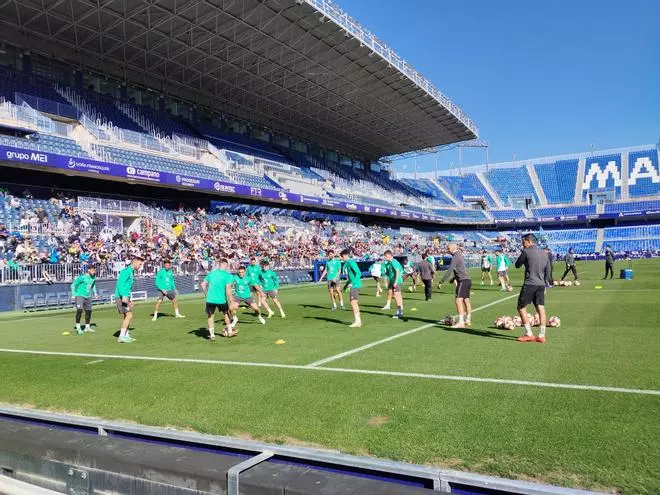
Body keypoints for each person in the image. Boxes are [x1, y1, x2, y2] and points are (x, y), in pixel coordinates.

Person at [515, 234, 551, 343]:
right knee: (541, 308)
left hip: (530, 283)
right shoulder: (545, 253)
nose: (523, 244)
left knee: (521, 307)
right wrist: (545, 283)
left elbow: (517, 265)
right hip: (541, 284)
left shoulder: (526, 252)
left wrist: (524, 256)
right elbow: (548, 270)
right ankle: (542, 335)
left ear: (529, 241)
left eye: (523, 242)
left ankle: (529, 333)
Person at [438, 243, 472, 328]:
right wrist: (453, 279)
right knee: (466, 301)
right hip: (467, 280)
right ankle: (468, 320)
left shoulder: (455, 256)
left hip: (463, 281)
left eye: (448, 248)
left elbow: (450, 270)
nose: (447, 249)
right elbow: (460, 269)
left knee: (458, 301)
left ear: (454, 248)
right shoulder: (459, 255)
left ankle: (461, 322)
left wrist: (441, 281)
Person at [201, 258, 235, 341]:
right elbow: (228, 289)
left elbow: (202, 285)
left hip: (210, 299)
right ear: (226, 265)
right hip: (221, 300)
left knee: (210, 316)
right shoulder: (228, 275)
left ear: (219, 264)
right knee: (226, 315)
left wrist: (207, 295)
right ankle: (230, 331)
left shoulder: (211, 274)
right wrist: (231, 301)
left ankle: (212, 335)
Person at [114, 256, 144, 343]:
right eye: (140, 264)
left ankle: (126, 335)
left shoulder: (131, 272)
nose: (140, 266)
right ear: (134, 262)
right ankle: (121, 336)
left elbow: (127, 288)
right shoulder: (126, 271)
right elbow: (120, 285)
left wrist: (129, 299)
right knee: (129, 315)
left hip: (125, 297)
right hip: (121, 298)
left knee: (127, 315)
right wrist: (124, 297)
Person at [71, 264, 99, 335]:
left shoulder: (93, 277)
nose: (94, 272)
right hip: (80, 296)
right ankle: (78, 327)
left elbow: (93, 285)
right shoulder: (82, 277)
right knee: (79, 310)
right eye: (92, 270)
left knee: (88, 312)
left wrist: (95, 293)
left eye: (94, 270)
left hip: (88, 296)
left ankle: (87, 327)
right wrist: (73, 294)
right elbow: (73, 284)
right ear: (88, 270)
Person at [340, 249, 362, 327]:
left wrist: (352, 283)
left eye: (342, 256)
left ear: (346, 256)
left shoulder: (351, 262)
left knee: (353, 302)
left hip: (355, 285)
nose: (341, 258)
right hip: (354, 284)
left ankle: (358, 322)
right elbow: (351, 277)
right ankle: (357, 321)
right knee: (353, 302)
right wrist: (346, 285)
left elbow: (358, 273)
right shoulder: (348, 263)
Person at [381, 250, 404, 319]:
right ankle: (400, 310)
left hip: (397, 281)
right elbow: (388, 273)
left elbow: (397, 272)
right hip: (392, 281)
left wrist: (396, 282)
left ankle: (399, 312)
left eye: (386, 256)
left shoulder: (394, 262)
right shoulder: (389, 263)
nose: (385, 257)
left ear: (389, 255)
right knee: (397, 295)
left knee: (396, 295)